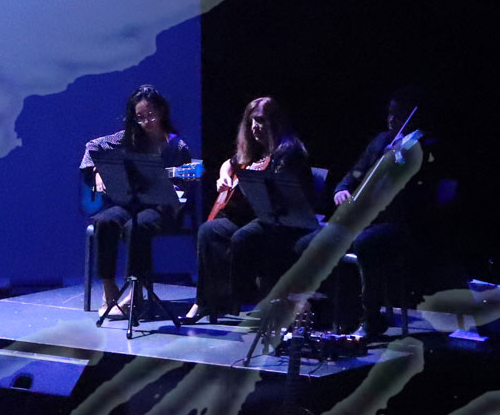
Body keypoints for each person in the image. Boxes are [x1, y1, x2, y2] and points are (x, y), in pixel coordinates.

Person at [297, 87, 446, 331]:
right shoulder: (381, 140)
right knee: (306, 243)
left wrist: (399, 161)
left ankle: (372, 318)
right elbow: (355, 172)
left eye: (399, 114)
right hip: (363, 219)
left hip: (399, 223)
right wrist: (341, 189)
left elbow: (422, 195)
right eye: (390, 114)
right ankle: (333, 311)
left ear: (412, 115)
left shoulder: (425, 147)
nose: (392, 119)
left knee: (365, 244)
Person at [191, 97, 314, 321]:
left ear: (275, 122)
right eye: (251, 122)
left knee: (243, 237)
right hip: (258, 215)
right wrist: (223, 177)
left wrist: (254, 184)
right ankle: (205, 302)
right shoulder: (256, 149)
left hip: (284, 220)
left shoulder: (290, 151)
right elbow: (230, 163)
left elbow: (284, 196)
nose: (255, 127)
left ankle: (242, 300)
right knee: (209, 231)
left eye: (261, 121)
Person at [80, 84, 196, 317]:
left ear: (161, 111)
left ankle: (136, 292)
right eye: (140, 117)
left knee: (137, 227)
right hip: (132, 202)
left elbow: (184, 188)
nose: (146, 122)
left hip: (164, 208)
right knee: (105, 221)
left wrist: (173, 192)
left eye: (150, 115)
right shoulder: (129, 138)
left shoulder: (176, 146)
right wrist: (97, 172)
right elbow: (92, 147)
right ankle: (109, 291)